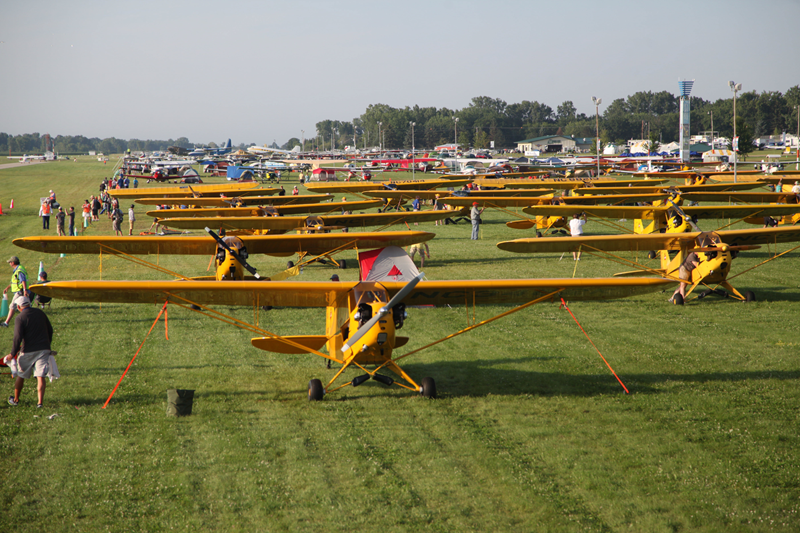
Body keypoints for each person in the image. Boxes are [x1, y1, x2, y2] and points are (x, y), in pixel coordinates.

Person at [5, 295, 54, 408]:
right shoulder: (40, 313)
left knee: (21, 375)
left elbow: (17, 338)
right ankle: (40, 403)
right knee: (40, 376)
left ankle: (16, 400)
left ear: (19, 306)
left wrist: (12, 354)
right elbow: (50, 329)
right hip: (43, 349)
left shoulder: (20, 318)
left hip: (27, 351)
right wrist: (48, 344)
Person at [2, 256, 29, 327]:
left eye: (10, 262)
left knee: (12, 306)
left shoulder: (19, 270)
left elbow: (23, 280)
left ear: (13, 263)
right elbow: (15, 281)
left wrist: (25, 290)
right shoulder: (18, 269)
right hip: (20, 291)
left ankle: (6, 323)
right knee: (27, 306)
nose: (9, 263)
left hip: (20, 291)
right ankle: (31, 320)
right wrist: (7, 287)